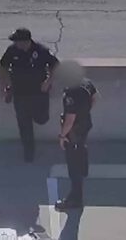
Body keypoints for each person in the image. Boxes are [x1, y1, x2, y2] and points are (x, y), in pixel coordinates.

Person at [0, 28, 59, 162]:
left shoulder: (41, 51)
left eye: (18, 41)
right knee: (24, 124)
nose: (16, 44)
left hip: (39, 93)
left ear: (26, 41)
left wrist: (48, 82)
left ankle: (33, 114)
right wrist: (6, 86)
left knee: (42, 119)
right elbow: (3, 66)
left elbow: (56, 65)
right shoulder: (12, 51)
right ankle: (29, 153)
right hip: (20, 93)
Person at [54, 61, 98, 210]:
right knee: (81, 147)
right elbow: (95, 97)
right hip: (85, 124)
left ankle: (75, 199)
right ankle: (83, 164)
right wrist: (84, 111)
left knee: (73, 167)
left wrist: (62, 136)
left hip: (73, 131)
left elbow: (70, 119)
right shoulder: (86, 83)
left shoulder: (71, 92)